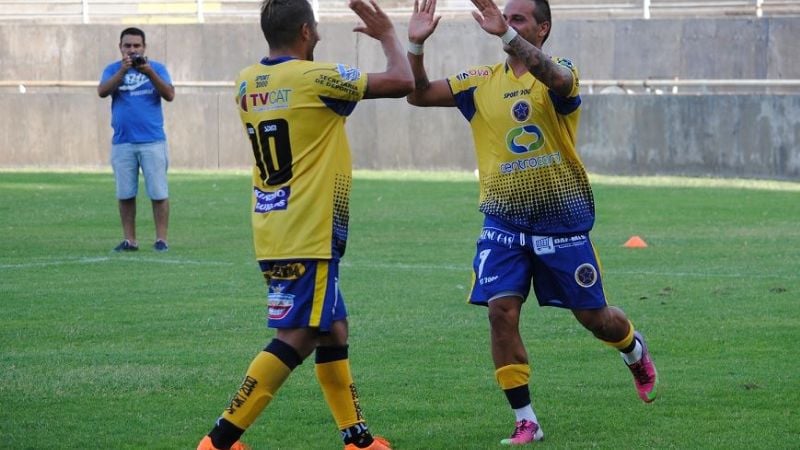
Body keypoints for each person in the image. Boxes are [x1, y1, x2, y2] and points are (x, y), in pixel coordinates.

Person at [406, 0, 658, 445]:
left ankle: (633, 350)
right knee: (501, 312)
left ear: (542, 29)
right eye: (505, 15)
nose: (506, 21)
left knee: (596, 319)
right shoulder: (480, 82)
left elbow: (557, 80)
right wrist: (416, 45)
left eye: (518, 18)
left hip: (562, 222)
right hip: (502, 223)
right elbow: (418, 94)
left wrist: (505, 35)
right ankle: (527, 419)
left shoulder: (560, 71)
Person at [195, 0, 413, 449]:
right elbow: (402, 81)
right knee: (298, 334)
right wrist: (390, 34)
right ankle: (218, 442)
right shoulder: (314, 78)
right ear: (306, 33)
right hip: (309, 229)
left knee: (334, 327)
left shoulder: (246, 82)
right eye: (315, 30)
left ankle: (358, 439)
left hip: (275, 225)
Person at [98, 27, 174, 253]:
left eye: (136, 46)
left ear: (144, 47)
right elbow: (102, 92)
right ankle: (130, 240)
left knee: (159, 193)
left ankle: (161, 239)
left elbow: (169, 95)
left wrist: (149, 72)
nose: (132, 50)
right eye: (127, 46)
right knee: (125, 194)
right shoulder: (112, 69)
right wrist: (121, 72)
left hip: (152, 141)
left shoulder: (157, 69)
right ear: (120, 47)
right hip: (123, 142)